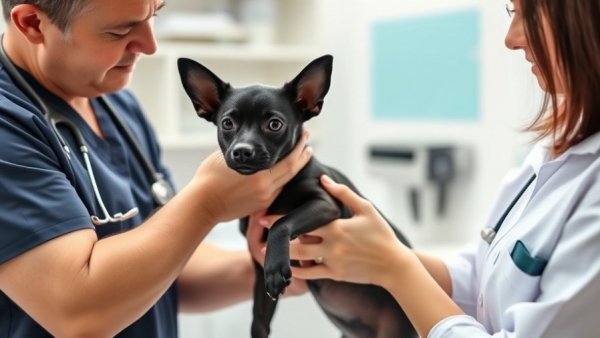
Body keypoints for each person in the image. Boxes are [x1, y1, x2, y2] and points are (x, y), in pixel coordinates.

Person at [253, 0, 600, 337]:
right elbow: (482, 279)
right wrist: (375, 254)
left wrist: (395, 268)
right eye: (514, 11)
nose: (511, 38)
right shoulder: (553, 152)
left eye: (532, 13)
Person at [0, 0, 312, 337]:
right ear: (32, 24)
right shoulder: (9, 125)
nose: (150, 45)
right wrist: (208, 201)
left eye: (154, 16)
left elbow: (163, 265)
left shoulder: (118, 103)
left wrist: (275, 268)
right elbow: (78, 313)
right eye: (120, 30)